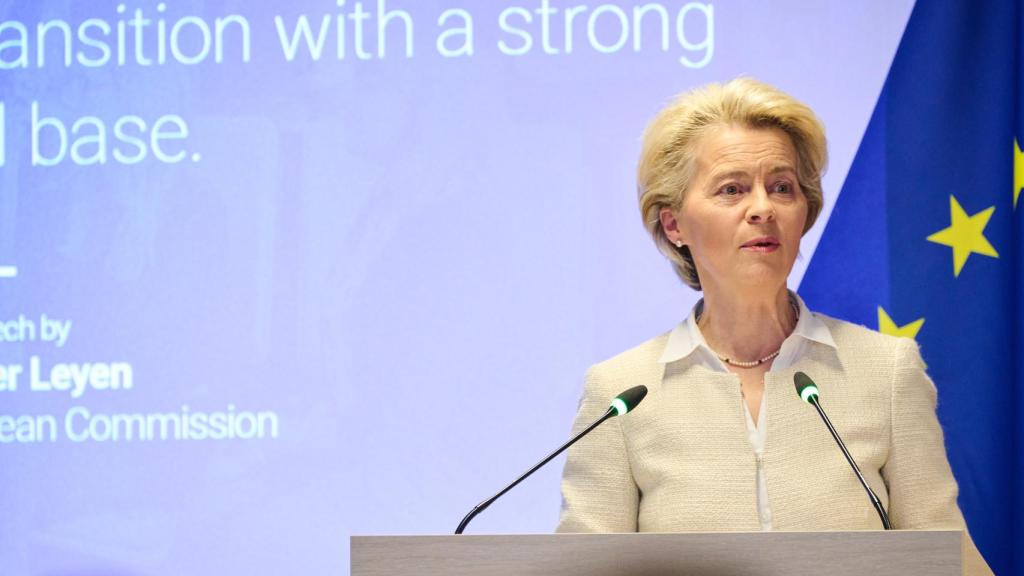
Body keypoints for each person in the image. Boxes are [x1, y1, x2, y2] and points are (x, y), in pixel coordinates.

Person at [555, 78, 992, 575]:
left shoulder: (886, 371)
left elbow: (948, 558)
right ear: (673, 224)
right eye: (732, 189)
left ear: (804, 211)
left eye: (782, 187)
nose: (763, 208)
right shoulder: (620, 393)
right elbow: (580, 570)